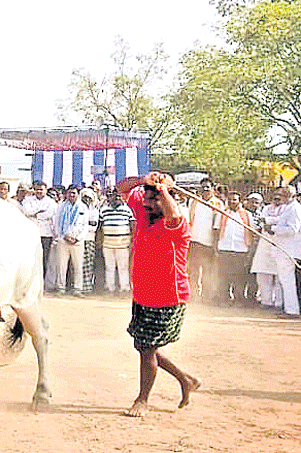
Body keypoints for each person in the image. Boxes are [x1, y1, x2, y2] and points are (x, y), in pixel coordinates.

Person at [117, 172, 199, 418]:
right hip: (143, 295)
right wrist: (145, 180)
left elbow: (173, 214)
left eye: (154, 200)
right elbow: (123, 188)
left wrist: (163, 190)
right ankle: (185, 380)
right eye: (147, 198)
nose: (147, 203)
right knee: (142, 345)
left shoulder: (178, 224)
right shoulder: (144, 215)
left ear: (168, 199)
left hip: (167, 298)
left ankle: (142, 400)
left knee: (147, 349)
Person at [251, 187, 301, 317]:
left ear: (288, 195)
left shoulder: (295, 208)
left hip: (288, 250)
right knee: (285, 280)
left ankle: (291, 310)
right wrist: (267, 221)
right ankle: (289, 308)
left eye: (282, 195)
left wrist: (273, 229)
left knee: (287, 281)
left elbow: (292, 229)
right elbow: (281, 220)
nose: (280, 198)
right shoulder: (289, 207)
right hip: (283, 248)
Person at [214, 192, 254, 307]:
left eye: (235, 200)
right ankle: (224, 298)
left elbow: (252, 231)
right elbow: (216, 230)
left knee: (239, 276)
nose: (232, 202)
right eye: (230, 199)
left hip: (241, 249)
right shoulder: (222, 214)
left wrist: (250, 249)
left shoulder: (247, 215)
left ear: (239, 201)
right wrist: (216, 247)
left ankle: (239, 299)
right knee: (224, 275)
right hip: (224, 248)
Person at [185, 179, 221, 302]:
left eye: (207, 187)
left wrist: (216, 245)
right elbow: (190, 219)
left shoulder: (218, 204)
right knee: (193, 270)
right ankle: (194, 294)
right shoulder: (194, 202)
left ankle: (207, 296)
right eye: (203, 187)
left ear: (213, 188)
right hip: (194, 241)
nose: (205, 189)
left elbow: (218, 226)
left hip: (209, 243)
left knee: (207, 271)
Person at [99, 189, 135, 295]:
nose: (118, 199)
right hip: (108, 244)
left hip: (122, 245)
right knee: (109, 268)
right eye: (116, 197)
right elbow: (100, 227)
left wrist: (131, 240)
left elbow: (132, 226)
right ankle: (110, 288)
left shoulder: (127, 210)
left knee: (123, 268)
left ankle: (124, 288)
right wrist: (101, 241)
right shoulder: (104, 210)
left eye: (120, 197)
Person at [22, 181, 57, 284]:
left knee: (43, 260)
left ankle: (41, 283)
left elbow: (49, 214)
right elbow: (27, 212)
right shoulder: (28, 200)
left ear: (45, 190)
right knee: (30, 259)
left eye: (41, 189)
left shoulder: (51, 202)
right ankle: (29, 283)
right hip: (31, 234)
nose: (39, 191)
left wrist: (35, 214)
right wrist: (40, 211)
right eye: (37, 189)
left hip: (46, 234)